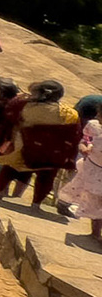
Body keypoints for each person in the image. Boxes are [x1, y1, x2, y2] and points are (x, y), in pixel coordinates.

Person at [0, 80, 83, 209]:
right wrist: (69, 156)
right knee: (46, 177)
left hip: (25, 145)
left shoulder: (22, 104)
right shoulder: (69, 113)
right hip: (52, 152)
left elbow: (10, 119)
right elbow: (73, 136)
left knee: (10, 168)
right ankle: (36, 204)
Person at [60, 96, 102, 241]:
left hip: (96, 168)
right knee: (93, 201)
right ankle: (95, 233)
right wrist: (83, 147)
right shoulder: (94, 126)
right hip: (92, 169)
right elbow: (85, 139)